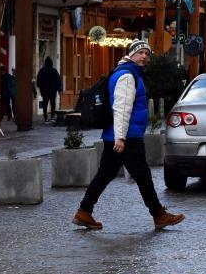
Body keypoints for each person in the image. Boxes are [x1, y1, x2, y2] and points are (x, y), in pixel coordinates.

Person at [73, 40, 185, 231]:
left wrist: (117, 136)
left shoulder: (127, 73)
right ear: (131, 54)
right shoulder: (127, 76)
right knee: (143, 176)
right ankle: (159, 215)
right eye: (140, 52)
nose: (144, 57)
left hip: (118, 136)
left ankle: (84, 212)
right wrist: (121, 138)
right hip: (127, 137)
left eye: (147, 54)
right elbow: (122, 109)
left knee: (104, 175)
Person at [36, 56, 62, 122]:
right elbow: (58, 80)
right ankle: (52, 117)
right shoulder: (54, 71)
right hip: (53, 91)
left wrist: (41, 87)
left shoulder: (42, 71)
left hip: (44, 91)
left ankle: (45, 118)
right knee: (52, 104)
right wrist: (59, 90)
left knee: (45, 104)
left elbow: (38, 81)